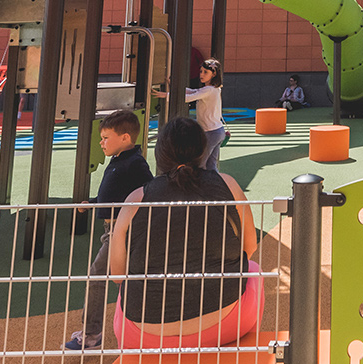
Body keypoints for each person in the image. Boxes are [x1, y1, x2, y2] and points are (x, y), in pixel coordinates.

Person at [108, 117, 263, 351]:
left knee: (126, 292)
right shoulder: (228, 185)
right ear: (202, 150)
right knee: (253, 270)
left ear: (161, 153)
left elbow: (118, 274)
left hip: (144, 333)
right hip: (227, 322)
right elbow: (249, 248)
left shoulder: (135, 199)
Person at [65, 109, 155, 352]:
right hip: (113, 229)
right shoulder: (120, 161)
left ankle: (92, 335)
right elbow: (116, 193)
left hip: (122, 231)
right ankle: (132, 330)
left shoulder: (135, 163)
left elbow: (149, 191)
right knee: (118, 279)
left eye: (106, 137)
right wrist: (94, 202)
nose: (101, 142)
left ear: (125, 138)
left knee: (98, 276)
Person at [156, 59, 226, 172]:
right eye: (201, 71)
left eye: (205, 72)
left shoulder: (208, 90)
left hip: (210, 132)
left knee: (200, 164)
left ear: (214, 74)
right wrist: (174, 87)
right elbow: (193, 91)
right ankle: (214, 185)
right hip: (217, 131)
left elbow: (189, 97)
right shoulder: (213, 89)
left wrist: (166, 95)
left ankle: (198, 187)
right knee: (211, 165)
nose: (201, 75)